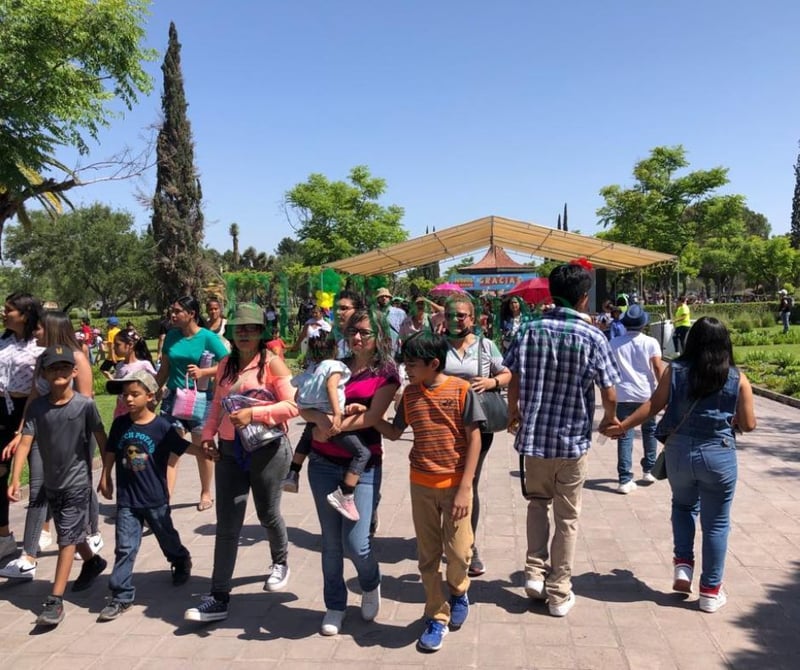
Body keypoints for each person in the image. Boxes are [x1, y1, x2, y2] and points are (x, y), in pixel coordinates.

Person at [604, 317, 756, 613]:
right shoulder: (738, 378)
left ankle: (683, 566)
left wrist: (623, 425)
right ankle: (710, 591)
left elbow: (653, 405)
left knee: (683, 506)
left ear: (692, 342)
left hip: (680, 454)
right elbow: (749, 424)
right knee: (717, 523)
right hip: (719, 455)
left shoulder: (675, 371)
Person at [504, 262, 620, 617]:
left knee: (538, 504)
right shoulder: (593, 337)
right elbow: (610, 392)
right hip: (571, 441)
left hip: (535, 438)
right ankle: (559, 590)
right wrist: (610, 420)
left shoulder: (529, 329)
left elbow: (513, 377)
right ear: (584, 298)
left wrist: (514, 412)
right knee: (567, 518)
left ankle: (535, 573)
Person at [183, 303, 298, 622]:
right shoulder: (225, 365)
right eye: (239, 328)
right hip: (229, 452)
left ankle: (280, 561)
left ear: (262, 332)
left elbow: (293, 406)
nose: (245, 334)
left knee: (267, 512)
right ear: (232, 333)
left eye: (251, 328)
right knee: (228, 525)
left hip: (267, 450)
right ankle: (218, 596)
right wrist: (208, 435)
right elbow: (216, 403)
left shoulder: (273, 365)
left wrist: (255, 414)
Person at [375, 332, 484, 652]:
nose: (406, 369)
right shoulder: (409, 394)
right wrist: (370, 419)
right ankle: (436, 615)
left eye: (412, 363)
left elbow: (474, 438)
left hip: (455, 487)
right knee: (428, 555)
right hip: (420, 484)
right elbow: (395, 432)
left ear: (434, 363)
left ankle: (459, 591)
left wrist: (466, 488)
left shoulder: (461, 390)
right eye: (405, 362)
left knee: (460, 552)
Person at [299, 308, 399, 636]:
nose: (357, 338)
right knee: (330, 543)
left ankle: (370, 583)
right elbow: (303, 403)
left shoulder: (386, 371)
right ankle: (335, 605)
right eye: (353, 331)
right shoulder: (333, 364)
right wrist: (319, 420)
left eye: (365, 333)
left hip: (363, 465)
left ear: (379, 336)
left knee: (356, 544)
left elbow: (372, 418)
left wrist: (331, 423)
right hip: (323, 462)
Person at [7, 346, 109, 626]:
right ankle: (93, 562)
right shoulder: (37, 408)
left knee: (66, 539)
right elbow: (26, 443)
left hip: (77, 483)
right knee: (70, 532)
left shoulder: (84, 406)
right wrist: (16, 478)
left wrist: (106, 473)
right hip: (51, 484)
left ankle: (54, 600)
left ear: (74, 371)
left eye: (65, 367)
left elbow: (101, 437)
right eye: (53, 368)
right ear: (44, 373)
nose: (60, 373)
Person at [1, 310, 102, 581]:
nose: (34, 333)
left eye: (39, 329)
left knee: (79, 487)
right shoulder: (42, 361)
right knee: (38, 490)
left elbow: (85, 400)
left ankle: (91, 532)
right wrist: (21, 431)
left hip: (73, 435)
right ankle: (29, 556)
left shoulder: (77, 357)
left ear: (53, 328)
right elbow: (34, 397)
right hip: (40, 431)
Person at [97, 370, 192, 621]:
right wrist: (105, 476)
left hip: (155, 498)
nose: (127, 399)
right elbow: (109, 451)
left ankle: (180, 559)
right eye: (124, 395)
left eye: (134, 394)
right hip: (127, 498)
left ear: (150, 396)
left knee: (166, 537)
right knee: (125, 547)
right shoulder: (120, 424)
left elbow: (183, 448)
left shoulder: (162, 426)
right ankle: (121, 595)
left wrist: (210, 453)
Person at [442, 296, 511, 577]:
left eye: (461, 315)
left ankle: (469, 545)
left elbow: (507, 373)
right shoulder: (438, 345)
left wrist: (491, 381)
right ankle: (447, 539)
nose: (455, 320)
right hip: (443, 424)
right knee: (442, 484)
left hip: (476, 425)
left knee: (468, 484)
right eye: (450, 315)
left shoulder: (485, 345)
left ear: (472, 318)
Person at [281, 334, 371, 522]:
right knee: (363, 453)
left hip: (310, 409)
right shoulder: (334, 366)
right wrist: (337, 413)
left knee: (307, 436)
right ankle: (345, 494)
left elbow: (298, 396)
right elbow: (331, 387)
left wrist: (311, 407)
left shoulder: (311, 369)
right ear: (335, 350)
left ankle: (292, 473)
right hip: (329, 414)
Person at [156, 296, 229, 511]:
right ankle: (165, 498)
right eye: (173, 310)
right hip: (173, 400)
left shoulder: (207, 337)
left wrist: (204, 372)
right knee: (171, 447)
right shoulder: (171, 336)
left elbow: (228, 363)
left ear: (192, 314)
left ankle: (206, 492)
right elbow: (164, 369)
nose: (173, 315)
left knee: (202, 445)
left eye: (178, 311)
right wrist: (152, 391)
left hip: (201, 400)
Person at [0, 293, 44, 564]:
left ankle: (49, 530)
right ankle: (4, 537)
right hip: (1, 411)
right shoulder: (3, 341)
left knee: (42, 475)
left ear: (25, 315)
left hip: (29, 410)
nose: (4, 313)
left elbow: (38, 390)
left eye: (9, 310)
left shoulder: (40, 345)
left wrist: (22, 426)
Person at [609, 304, 666, 494]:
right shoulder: (650, 342)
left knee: (624, 434)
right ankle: (649, 468)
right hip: (646, 394)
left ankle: (624, 478)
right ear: (644, 324)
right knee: (649, 431)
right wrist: (664, 390)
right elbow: (658, 368)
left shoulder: (615, 343)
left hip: (623, 393)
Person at [108, 328, 157, 418]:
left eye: (117, 345)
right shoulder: (119, 366)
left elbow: (154, 386)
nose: (114, 348)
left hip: (140, 410)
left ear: (129, 345)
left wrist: (151, 404)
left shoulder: (144, 365)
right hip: (122, 410)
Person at [375, 287, 406, 354]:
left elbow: (405, 330)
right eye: (381, 296)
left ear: (390, 298)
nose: (384, 298)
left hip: (396, 347)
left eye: (386, 296)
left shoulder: (400, 313)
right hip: (379, 348)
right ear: (378, 299)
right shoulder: (373, 314)